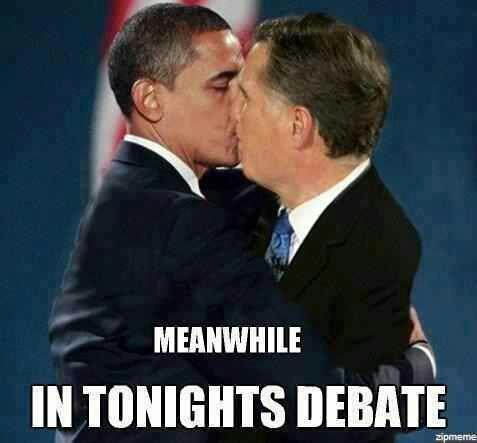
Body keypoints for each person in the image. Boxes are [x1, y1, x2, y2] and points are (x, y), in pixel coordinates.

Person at [49, 5, 434, 443]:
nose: (237, 108)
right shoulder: (180, 224)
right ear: (151, 100)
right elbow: (314, 406)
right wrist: (418, 370)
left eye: (244, 90)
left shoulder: (151, 191)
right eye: (220, 87)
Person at [218, 11, 436, 442]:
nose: (233, 114)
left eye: (246, 98)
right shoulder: (243, 206)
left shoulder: (379, 246)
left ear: (298, 126)